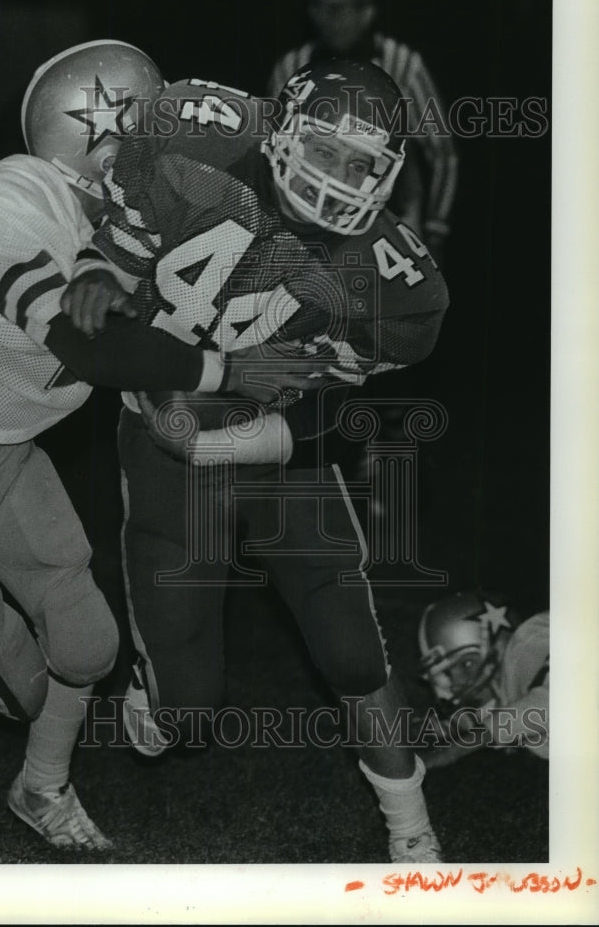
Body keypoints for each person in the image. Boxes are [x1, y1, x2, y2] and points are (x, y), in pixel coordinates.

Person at [0, 40, 322, 851]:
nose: (179, 151)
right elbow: (90, 346)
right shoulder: (2, 205)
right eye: (159, 128)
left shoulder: (131, 223)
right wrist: (232, 368)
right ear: (104, 139)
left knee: (89, 645)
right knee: (18, 690)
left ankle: (41, 787)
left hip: (9, 453)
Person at [63, 59, 451, 862]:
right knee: (185, 720)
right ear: (283, 129)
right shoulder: (196, 142)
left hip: (278, 453)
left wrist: (221, 439)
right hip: (164, 448)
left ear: (389, 175)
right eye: (327, 151)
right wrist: (100, 274)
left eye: (362, 166)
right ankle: (157, 683)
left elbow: (327, 416)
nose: (340, 181)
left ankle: (412, 831)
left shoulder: (394, 281)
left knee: (352, 647)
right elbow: (118, 266)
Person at [267, 0, 458, 260]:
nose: (330, 18)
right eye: (321, 7)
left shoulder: (404, 65)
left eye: (340, 8)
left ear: (367, 11)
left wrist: (436, 227)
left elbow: (442, 153)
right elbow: (272, 146)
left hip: (386, 212)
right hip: (307, 208)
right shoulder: (292, 66)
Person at [418, 589, 549, 766]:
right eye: (447, 674)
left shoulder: (532, 641)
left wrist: (452, 752)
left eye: (467, 665)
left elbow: (554, 702)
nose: (457, 685)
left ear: (499, 647)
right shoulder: (510, 687)